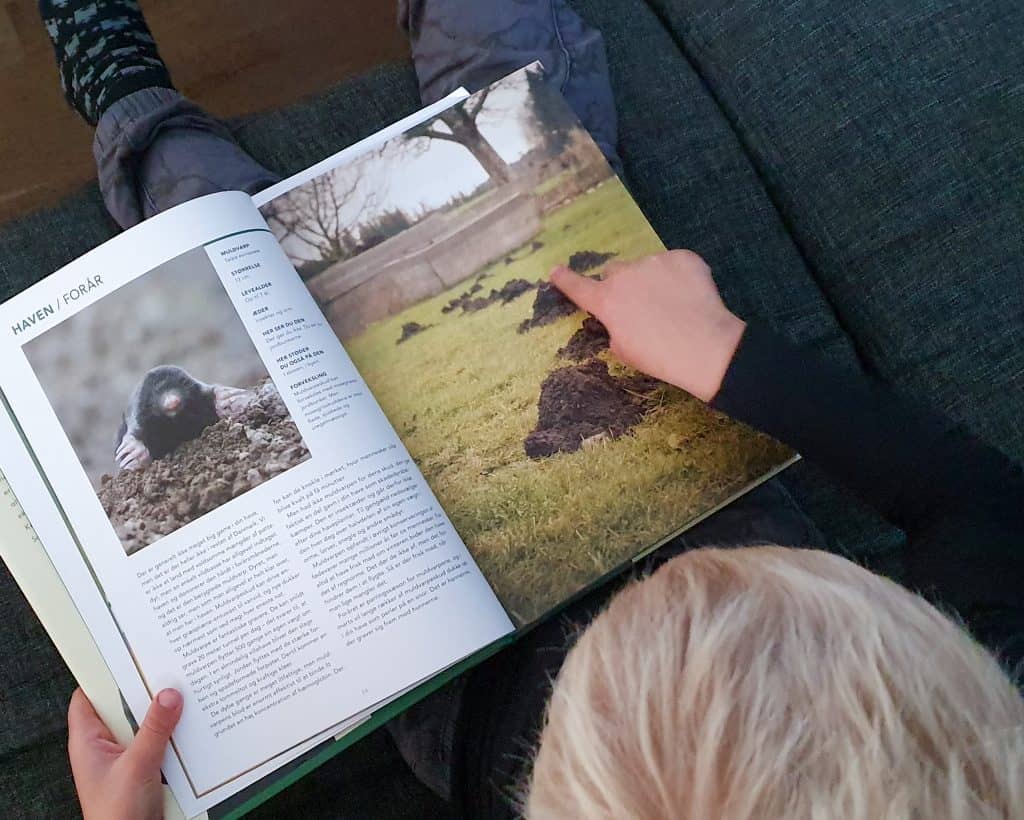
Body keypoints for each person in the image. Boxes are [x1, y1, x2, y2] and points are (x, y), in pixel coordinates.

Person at [40, 3, 1023, 819]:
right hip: (702, 504)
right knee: (539, 121)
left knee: (212, 233)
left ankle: (122, 89)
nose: (631, 613)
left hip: (460, 690)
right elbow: (982, 506)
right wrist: (727, 358)